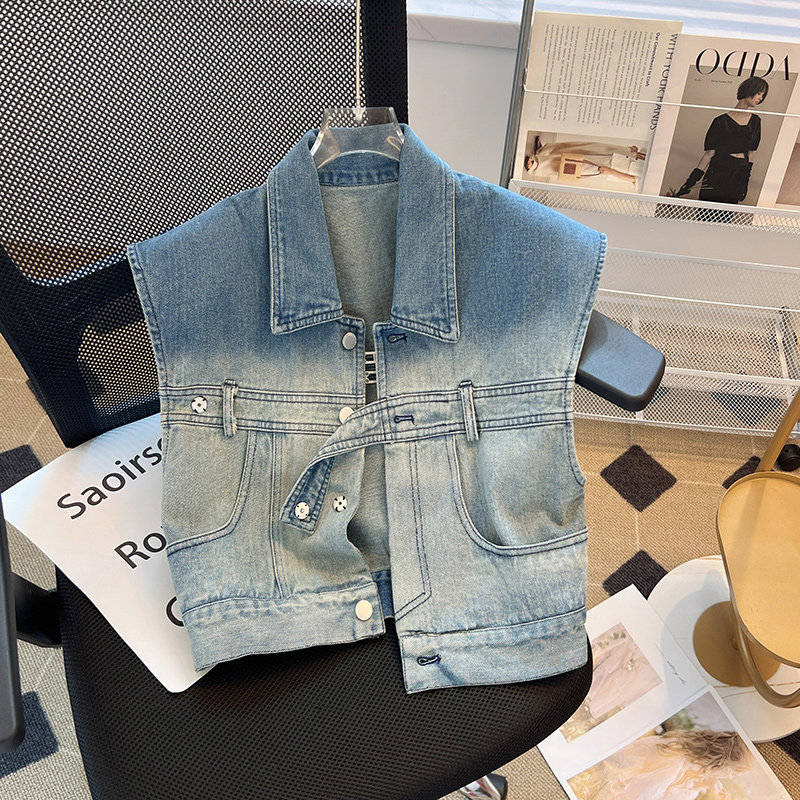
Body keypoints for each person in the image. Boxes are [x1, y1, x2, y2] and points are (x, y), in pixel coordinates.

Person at [571, 728, 753, 799]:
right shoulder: (675, 760)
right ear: (721, 763)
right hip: (601, 785)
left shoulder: (691, 763)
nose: (730, 777)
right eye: (734, 773)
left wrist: (704, 783)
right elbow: (637, 795)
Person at [669, 76, 769, 204]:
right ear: (749, 90)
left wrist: (745, 182)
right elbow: (708, 155)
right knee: (706, 213)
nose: (760, 98)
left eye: (763, 95)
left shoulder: (755, 121)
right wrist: (689, 184)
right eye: (759, 93)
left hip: (737, 176)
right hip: (716, 174)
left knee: (726, 215)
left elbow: (750, 153)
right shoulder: (720, 121)